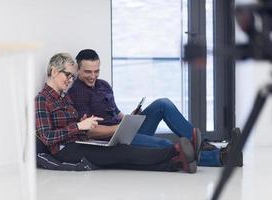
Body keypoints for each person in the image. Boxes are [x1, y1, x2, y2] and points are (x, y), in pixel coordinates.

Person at [67, 49, 243, 167]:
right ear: (78, 70)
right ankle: (222, 157)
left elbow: (116, 113)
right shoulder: (76, 92)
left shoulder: (103, 85)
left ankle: (203, 145)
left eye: (96, 71)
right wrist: (119, 128)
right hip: (114, 140)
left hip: (125, 130)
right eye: (87, 72)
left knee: (163, 104)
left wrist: (130, 118)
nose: (93, 76)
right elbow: (88, 132)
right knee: (166, 145)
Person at [35, 52, 199, 173]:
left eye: (72, 76)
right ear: (55, 71)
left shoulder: (64, 97)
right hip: (65, 149)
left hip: (81, 141)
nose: (70, 80)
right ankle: (177, 152)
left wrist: (85, 124)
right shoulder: (43, 99)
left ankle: (175, 163)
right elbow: (47, 137)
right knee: (121, 152)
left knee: (120, 158)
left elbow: (76, 125)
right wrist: (79, 126)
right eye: (68, 75)